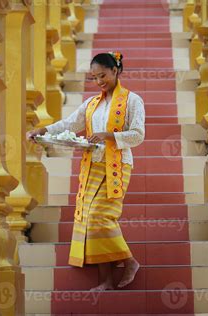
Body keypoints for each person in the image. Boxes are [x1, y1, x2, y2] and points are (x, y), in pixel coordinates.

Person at [27, 52, 145, 291]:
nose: (99, 81)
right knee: (91, 220)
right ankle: (108, 281)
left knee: (100, 217)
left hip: (118, 165)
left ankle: (129, 262)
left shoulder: (133, 100)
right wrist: (43, 130)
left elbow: (138, 135)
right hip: (92, 165)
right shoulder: (92, 104)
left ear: (116, 71)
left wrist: (108, 135)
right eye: (95, 77)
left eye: (103, 75)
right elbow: (70, 124)